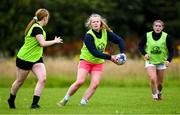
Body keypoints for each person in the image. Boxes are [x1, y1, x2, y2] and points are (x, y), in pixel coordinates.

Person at [57, 13, 126, 106]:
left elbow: (120, 40)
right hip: (86, 61)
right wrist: (111, 57)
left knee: (95, 84)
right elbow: (95, 52)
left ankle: (83, 102)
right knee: (80, 81)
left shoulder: (105, 32)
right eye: (93, 22)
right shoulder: (88, 36)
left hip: (98, 63)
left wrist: (122, 53)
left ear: (100, 23)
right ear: (90, 24)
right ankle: (65, 99)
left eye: (97, 21)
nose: (95, 23)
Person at [7, 8, 63, 109]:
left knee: (43, 79)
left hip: (36, 59)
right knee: (19, 81)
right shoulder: (36, 28)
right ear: (45, 18)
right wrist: (55, 41)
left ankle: (34, 104)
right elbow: (42, 43)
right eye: (48, 18)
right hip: (25, 58)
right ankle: (11, 99)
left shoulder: (39, 28)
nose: (48, 20)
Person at [138, 20, 174, 100]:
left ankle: (159, 93)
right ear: (153, 27)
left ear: (162, 28)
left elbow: (171, 50)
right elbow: (140, 46)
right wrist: (145, 54)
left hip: (161, 62)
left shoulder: (167, 37)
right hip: (150, 61)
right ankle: (154, 96)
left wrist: (168, 60)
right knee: (153, 79)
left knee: (160, 83)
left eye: (160, 26)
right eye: (156, 26)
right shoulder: (147, 35)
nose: (158, 27)